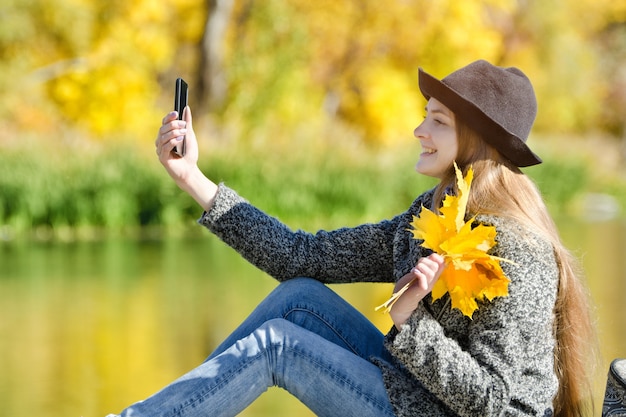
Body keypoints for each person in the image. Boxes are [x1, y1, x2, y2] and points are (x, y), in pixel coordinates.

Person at [108, 60, 597, 417]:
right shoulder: (426, 218)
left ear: (477, 141)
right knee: (299, 297)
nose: (418, 129)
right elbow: (299, 256)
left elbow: (500, 406)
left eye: (438, 121)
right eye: (424, 115)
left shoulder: (517, 250)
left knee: (280, 345)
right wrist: (192, 177)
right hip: (414, 394)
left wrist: (410, 323)